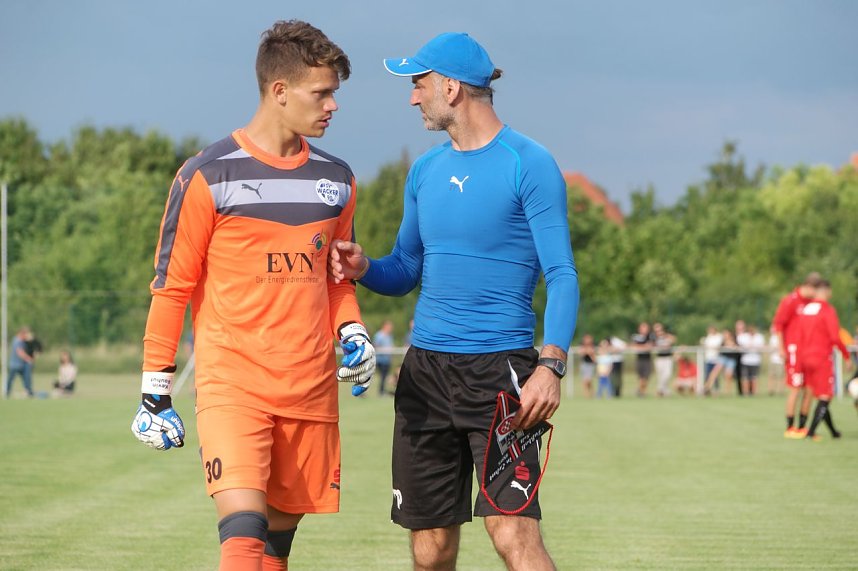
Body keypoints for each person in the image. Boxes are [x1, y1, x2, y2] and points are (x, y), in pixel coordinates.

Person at [129, 21, 376, 570]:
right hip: (233, 386)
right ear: (279, 91)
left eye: (335, 92)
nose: (333, 105)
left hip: (310, 390)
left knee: (274, 551)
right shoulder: (206, 176)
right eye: (322, 93)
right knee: (242, 536)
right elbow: (171, 289)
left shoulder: (337, 180)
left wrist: (354, 331)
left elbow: (337, 280)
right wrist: (155, 391)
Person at [329, 32, 579, 571]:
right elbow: (406, 269)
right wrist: (365, 268)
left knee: (513, 534)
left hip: (500, 375)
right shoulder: (424, 171)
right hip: (424, 375)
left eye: (418, 84)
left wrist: (551, 365)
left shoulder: (529, 163)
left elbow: (561, 274)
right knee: (431, 548)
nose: (412, 97)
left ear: (451, 88)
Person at [795, 280, 853, 440]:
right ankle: (810, 432)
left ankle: (833, 432)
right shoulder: (827, 310)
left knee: (818, 395)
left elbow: (798, 336)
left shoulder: (805, 310)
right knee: (825, 396)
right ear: (826, 291)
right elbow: (835, 336)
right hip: (821, 358)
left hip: (804, 358)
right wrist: (846, 356)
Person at [772, 272, 821, 438]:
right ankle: (790, 427)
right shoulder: (790, 301)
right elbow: (778, 325)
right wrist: (781, 348)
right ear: (808, 287)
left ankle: (802, 427)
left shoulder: (813, 303)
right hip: (794, 351)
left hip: (810, 352)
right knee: (795, 388)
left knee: (810, 389)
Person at [5, 326, 35, 398]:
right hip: (15, 365)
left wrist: (30, 340)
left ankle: (29, 391)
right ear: (22, 333)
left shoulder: (23, 341)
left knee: (26, 379)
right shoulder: (17, 341)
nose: (27, 336)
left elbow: (31, 346)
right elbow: (20, 352)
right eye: (26, 334)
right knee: (11, 379)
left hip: (22, 365)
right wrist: (28, 358)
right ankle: (7, 392)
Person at [737, 324, 765, 396]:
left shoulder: (759, 337)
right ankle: (745, 393)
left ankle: (754, 393)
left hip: (755, 361)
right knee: (745, 377)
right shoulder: (743, 337)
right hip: (745, 361)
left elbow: (761, 347)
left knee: (754, 377)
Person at [652, 322, 676, 397]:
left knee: (667, 374)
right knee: (660, 375)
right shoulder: (654, 338)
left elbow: (673, 340)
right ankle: (665, 391)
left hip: (668, 358)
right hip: (659, 358)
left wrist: (666, 337)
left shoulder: (667, 336)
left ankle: (660, 389)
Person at [630, 322, 654, 397]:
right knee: (641, 377)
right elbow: (633, 346)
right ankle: (641, 391)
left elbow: (650, 346)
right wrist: (643, 347)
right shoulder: (636, 337)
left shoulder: (650, 336)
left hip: (647, 359)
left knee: (646, 376)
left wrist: (641, 347)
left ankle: (641, 391)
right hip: (639, 359)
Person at [374, 320, 395, 395]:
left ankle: (382, 390)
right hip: (380, 359)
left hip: (387, 359)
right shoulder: (379, 335)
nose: (390, 328)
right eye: (389, 327)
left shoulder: (390, 336)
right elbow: (376, 345)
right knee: (382, 375)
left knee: (384, 376)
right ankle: (381, 391)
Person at [766, 327, 784, 397]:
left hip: (780, 360)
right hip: (772, 360)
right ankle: (771, 390)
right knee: (771, 375)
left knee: (780, 376)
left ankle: (780, 390)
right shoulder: (772, 337)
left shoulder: (782, 337)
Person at [577, 333, 596, 398]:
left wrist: (590, 353)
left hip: (590, 365)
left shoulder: (593, 346)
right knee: (584, 380)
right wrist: (585, 351)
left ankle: (592, 392)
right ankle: (586, 394)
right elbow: (580, 353)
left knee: (589, 380)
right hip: (584, 364)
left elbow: (594, 359)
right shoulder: (582, 345)